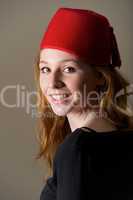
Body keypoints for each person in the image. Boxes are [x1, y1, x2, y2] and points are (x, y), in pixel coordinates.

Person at [34, 7, 133, 200]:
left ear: (100, 77)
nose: (53, 82)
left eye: (69, 69)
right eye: (45, 69)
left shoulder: (78, 148)